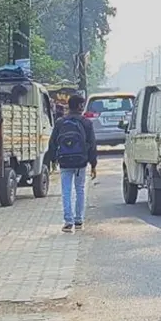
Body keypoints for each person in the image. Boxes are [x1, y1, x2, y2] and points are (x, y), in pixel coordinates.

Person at [46, 93, 98, 233]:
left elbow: (52, 142)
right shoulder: (86, 123)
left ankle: (68, 222)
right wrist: (93, 164)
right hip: (81, 161)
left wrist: (53, 160)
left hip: (64, 161)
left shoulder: (60, 122)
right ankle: (79, 220)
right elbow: (92, 145)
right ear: (80, 106)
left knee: (66, 191)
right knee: (80, 190)